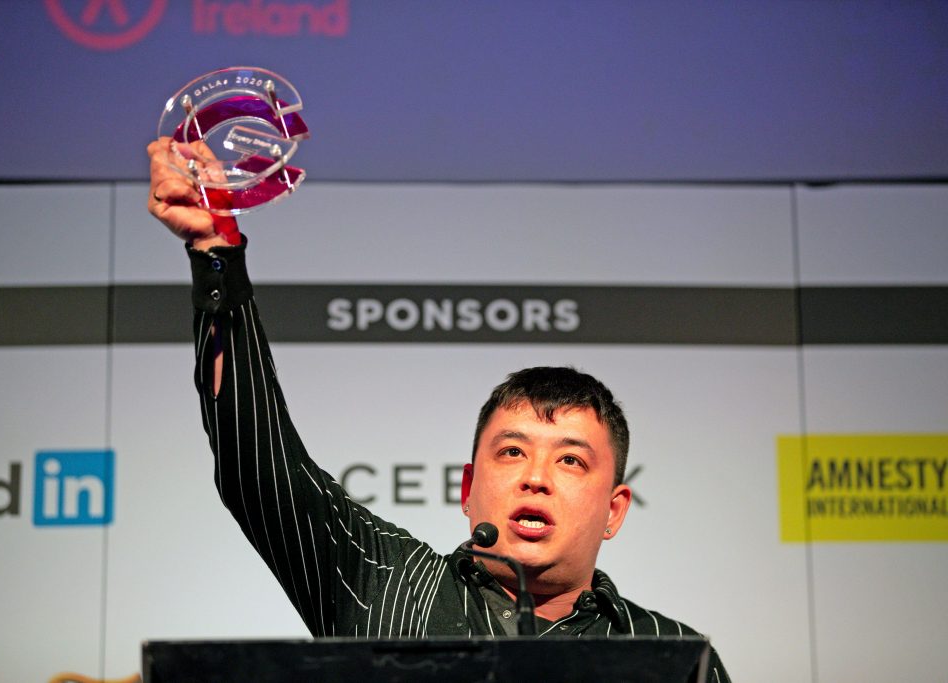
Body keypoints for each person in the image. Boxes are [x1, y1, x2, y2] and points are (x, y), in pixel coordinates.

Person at [147, 138, 730, 681]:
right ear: (468, 487)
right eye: (511, 451)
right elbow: (260, 470)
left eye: (571, 462)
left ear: (615, 509)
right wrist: (215, 253)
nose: (535, 478)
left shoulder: (672, 656)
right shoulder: (382, 583)